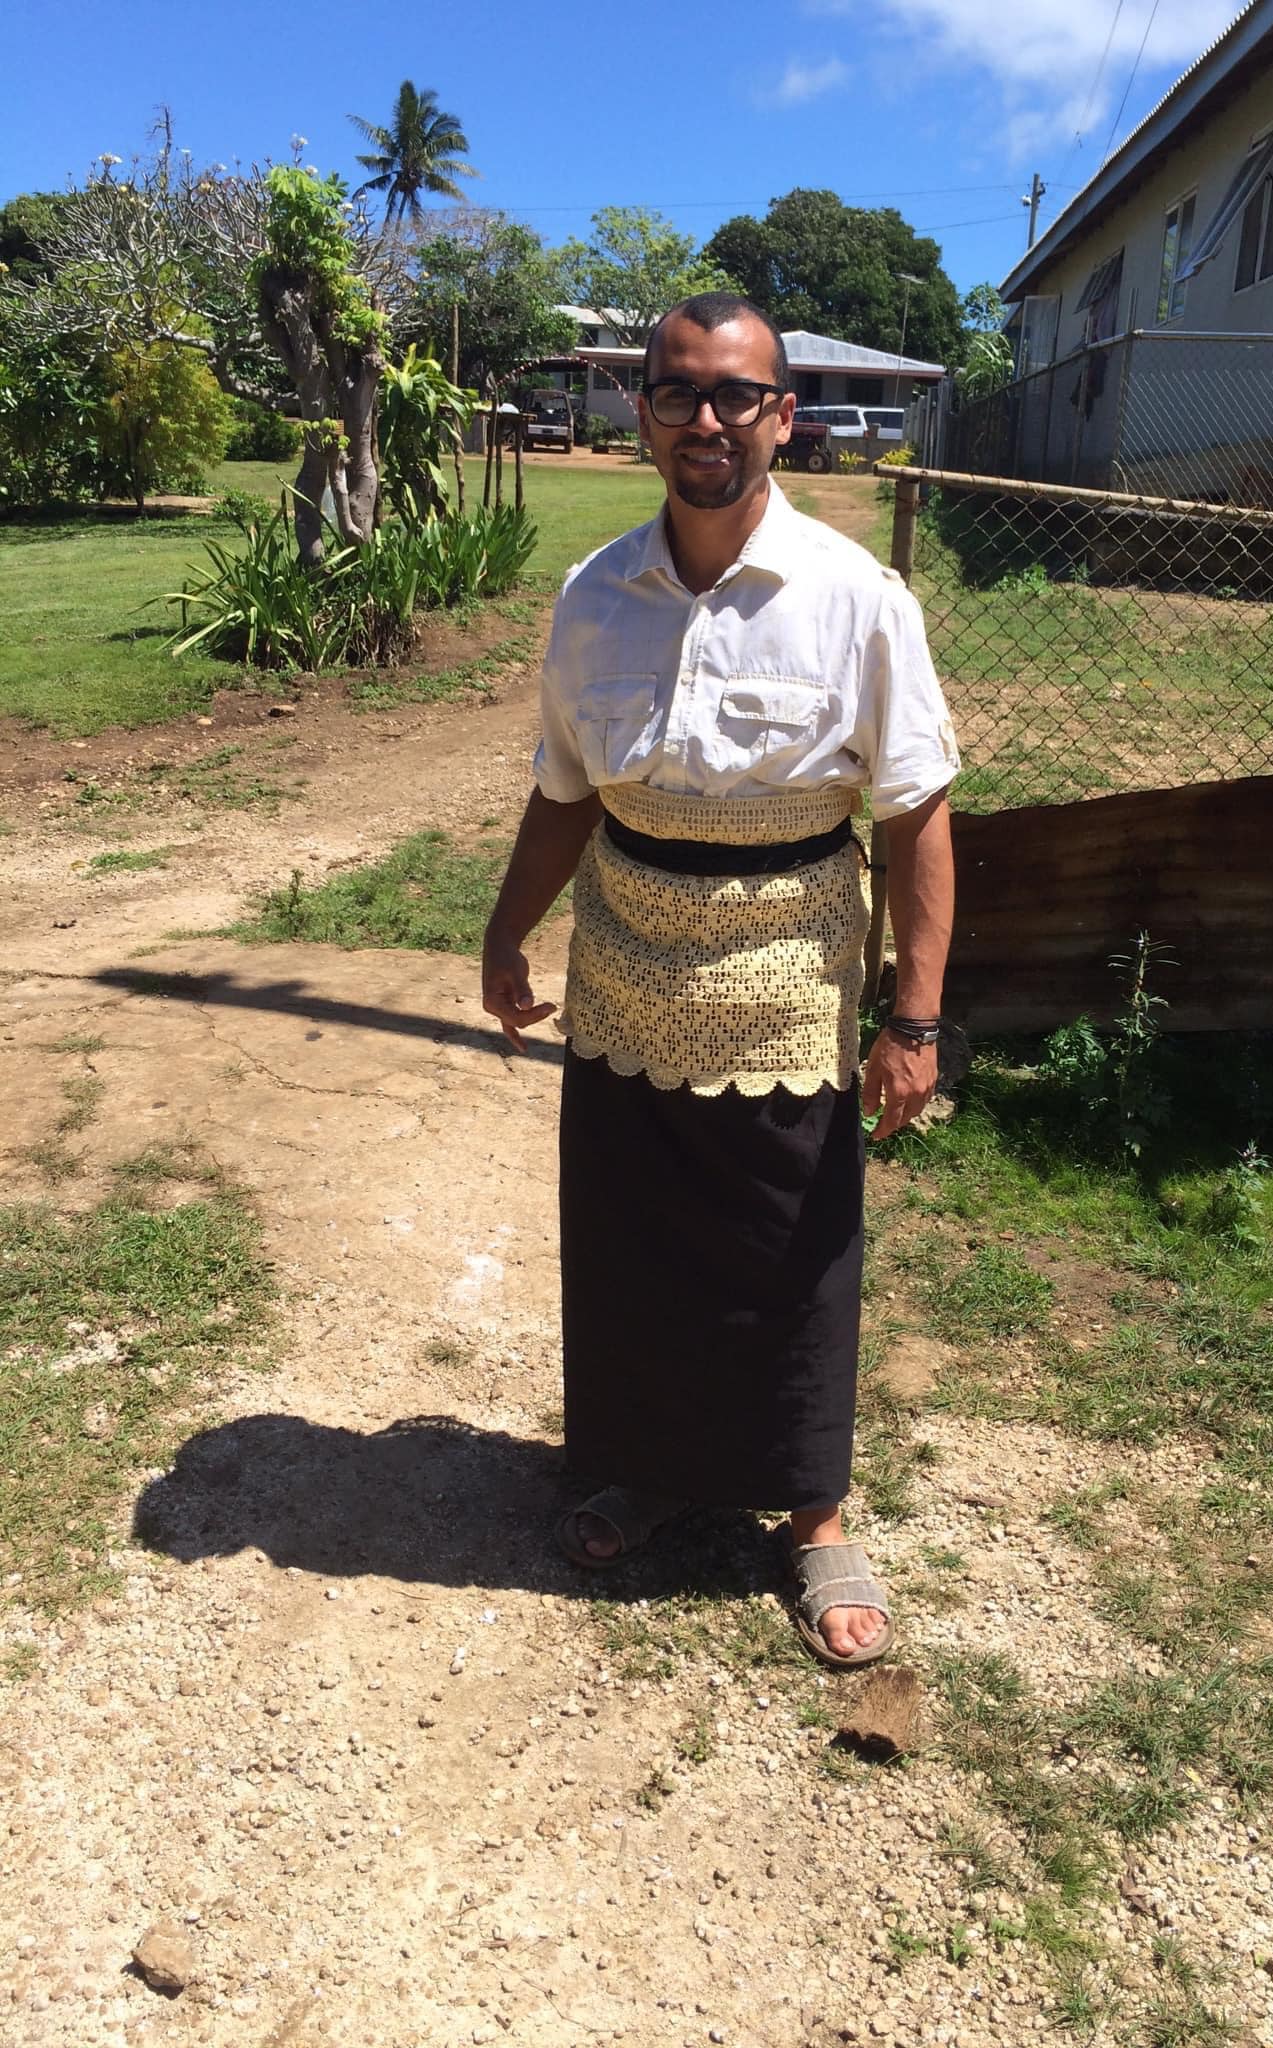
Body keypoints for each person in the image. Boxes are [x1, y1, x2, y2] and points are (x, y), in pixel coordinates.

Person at [481, 293, 957, 1667]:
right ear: (643, 413)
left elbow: (920, 816)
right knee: (633, 1233)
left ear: (783, 417)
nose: (707, 419)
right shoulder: (593, 601)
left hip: (789, 980)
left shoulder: (858, 602)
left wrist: (912, 1019)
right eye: (679, 391)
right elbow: (565, 794)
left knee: (787, 1250)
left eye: (736, 395)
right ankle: (651, 1462)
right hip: (626, 970)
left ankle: (813, 1514)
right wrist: (510, 933)